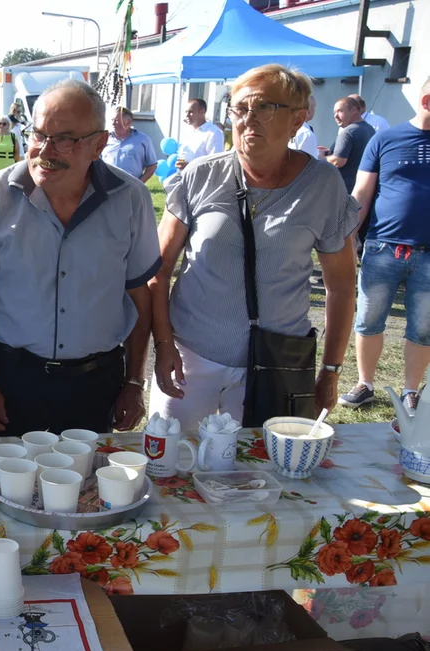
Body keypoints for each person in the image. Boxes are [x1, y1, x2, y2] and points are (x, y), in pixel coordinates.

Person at [149, 65, 358, 430]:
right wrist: (164, 345)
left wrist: (330, 370)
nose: (248, 119)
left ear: (297, 119)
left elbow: (341, 285)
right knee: (170, 467)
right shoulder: (201, 175)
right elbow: (159, 270)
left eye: (264, 107)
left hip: (276, 362)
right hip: (191, 358)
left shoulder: (323, 185)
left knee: (257, 477)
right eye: (239, 108)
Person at [0, 79, 160, 437]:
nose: (45, 150)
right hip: (11, 382)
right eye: (38, 134)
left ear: (99, 145)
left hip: (96, 386)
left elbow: (141, 296)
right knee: (2, 489)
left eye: (64, 139)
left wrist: (135, 382)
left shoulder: (131, 199)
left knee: (88, 491)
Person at [339, 77, 430, 415]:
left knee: (422, 327)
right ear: (427, 101)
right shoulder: (385, 139)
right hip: (383, 248)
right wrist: (347, 237)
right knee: (368, 319)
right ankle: (365, 384)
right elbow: (361, 194)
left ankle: (410, 391)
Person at [319, 96, 375, 194]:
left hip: (344, 190)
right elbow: (356, 152)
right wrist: (331, 151)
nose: (335, 116)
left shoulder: (348, 132)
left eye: (340, 111)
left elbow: (338, 161)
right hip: (363, 189)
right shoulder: (370, 129)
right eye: (334, 112)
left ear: (353, 110)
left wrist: (321, 156)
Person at [102, 106, 158, 183]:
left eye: (117, 120)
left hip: (131, 186)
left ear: (128, 122)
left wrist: (140, 183)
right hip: (107, 185)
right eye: (112, 120)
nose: (113, 123)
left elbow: (152, 165)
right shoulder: (104, 139)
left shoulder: (143, 139)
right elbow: (96, 162)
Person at [175, 98, 225, 169]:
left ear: (202, 112)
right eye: (186, 112)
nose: (187, 115)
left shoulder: (214, 133)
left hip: (200, 179)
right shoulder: (187, 131)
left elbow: (215, 164)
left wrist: (189, 166)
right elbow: (182, 155)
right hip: (182, 178)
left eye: (190, 112)